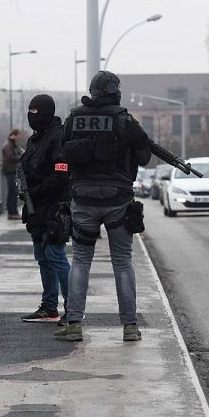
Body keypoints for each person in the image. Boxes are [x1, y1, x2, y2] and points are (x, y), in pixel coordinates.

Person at [55, 71, 151, 343]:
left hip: (83, 199)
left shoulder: (74, 118)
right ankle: (130, 326)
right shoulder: (124, 119)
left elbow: (64, 154)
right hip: (118, 199)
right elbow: (144, 157)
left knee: (81, 260)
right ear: (112, 90)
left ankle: (73, 324)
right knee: (122, 261)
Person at [18, 95, 71, 323]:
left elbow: (61, 174)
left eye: (36, 111)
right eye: (29, 110)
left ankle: (73, 307)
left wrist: (36, 191)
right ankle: (49, 306)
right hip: (35, 208)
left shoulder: (57, 137)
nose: (32, 115)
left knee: (55, 255)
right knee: (42, 257)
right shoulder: (34, 140)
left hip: (54, 206)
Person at [2, 128, 24, 220]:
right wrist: (22, 156)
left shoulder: (13, 145)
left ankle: (12, 212)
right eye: (18, 135)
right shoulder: (8, 145)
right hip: (10, 171)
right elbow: (10, 157)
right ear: (13, 135)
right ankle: (12, 213)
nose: (19, 137)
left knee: (13, 192)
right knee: (13, 192)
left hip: (12, 171)